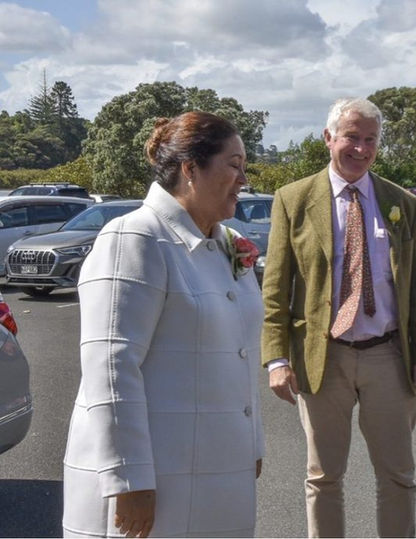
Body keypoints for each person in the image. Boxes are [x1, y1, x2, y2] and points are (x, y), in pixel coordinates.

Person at [62, 111, 265, 538]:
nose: (244, 179)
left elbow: (241, 353)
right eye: (234, 165)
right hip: (157, 480)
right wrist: (129, 479)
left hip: (217, 469)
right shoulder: (134, 238)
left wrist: (254, 442)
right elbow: (111, 365)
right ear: (191, 169)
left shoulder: (224, 244)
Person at [262, 97, 416, 538]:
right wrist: (277, 359)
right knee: (324, 477)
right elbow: (276, 288)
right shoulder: (293, 199)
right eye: (352, 138)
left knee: (398, 475)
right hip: (323, 357)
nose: (360, 149)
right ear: (328, 138)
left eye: (370, 141)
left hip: (388, 356)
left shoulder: (402, 203)